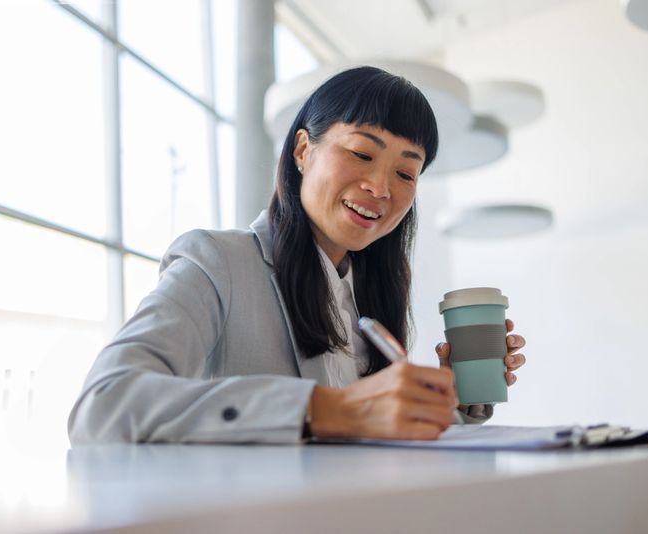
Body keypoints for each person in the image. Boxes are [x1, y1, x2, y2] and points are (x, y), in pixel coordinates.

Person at [68, 66, 527, 444]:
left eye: (406, 173)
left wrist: (453, 399)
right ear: (304, 150)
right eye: (362, 153)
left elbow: (366, 446)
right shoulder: (217, 262)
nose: (381, 188)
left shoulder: (372, 294)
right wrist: (326, 409)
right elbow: (104, 405)